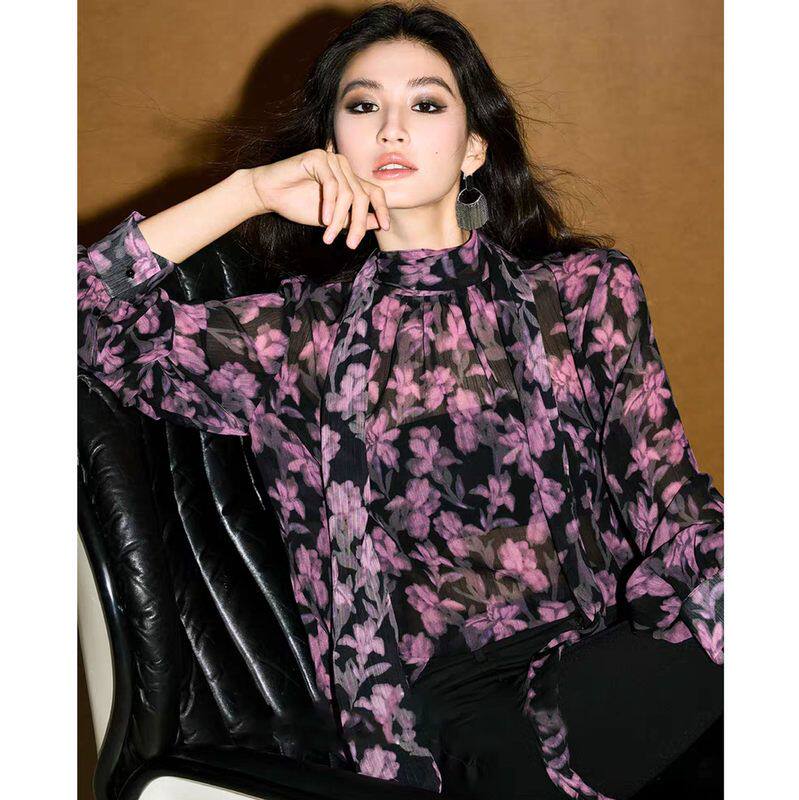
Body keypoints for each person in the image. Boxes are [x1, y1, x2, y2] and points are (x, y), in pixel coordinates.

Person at [77, 3, 723, 799]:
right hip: (458, 725)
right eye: (361, 107)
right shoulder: (295, 339)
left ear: (474, 146)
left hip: (605, 662)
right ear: (330, 147)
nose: (391, 129)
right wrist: (246, 192)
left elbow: (672, 505)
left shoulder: (584, 294)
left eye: (424, 104)